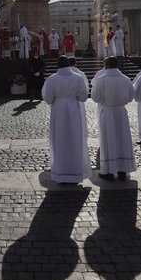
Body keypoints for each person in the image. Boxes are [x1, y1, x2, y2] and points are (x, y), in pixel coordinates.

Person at [42, 56, 91, 184]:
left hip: (58, 109)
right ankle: (75, 172)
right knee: (75, 138)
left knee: (60, 139)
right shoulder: (78, 77)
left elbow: (47, 98)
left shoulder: (52, 79)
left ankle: (61, 173)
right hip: (74, 109)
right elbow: (83, 96)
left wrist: (57, 100)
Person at [90, 57, 136, 181]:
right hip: (121, 112)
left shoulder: (101, 79)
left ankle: (108, 171)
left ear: (105, 65)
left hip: (107, 112)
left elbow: (94, 97)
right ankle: (122, 170)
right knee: (122, 139)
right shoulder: (125, 79)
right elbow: (131, 96)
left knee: (107, 140)